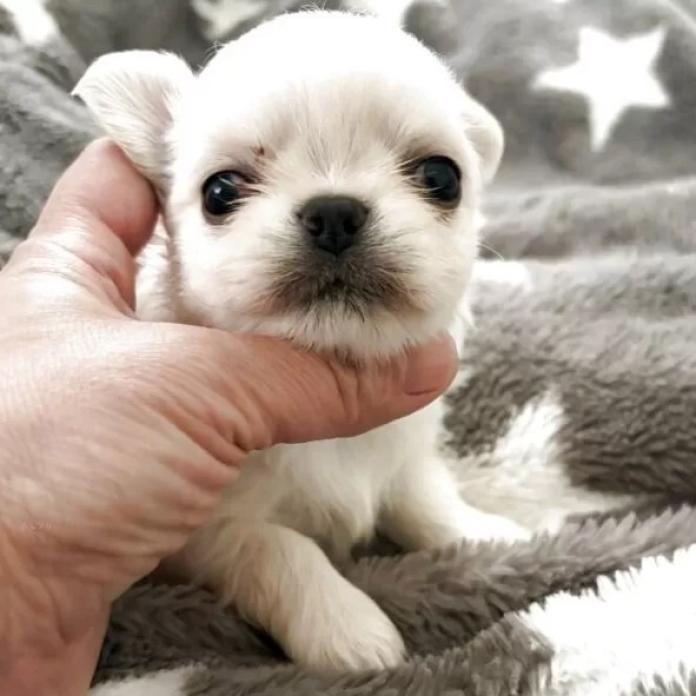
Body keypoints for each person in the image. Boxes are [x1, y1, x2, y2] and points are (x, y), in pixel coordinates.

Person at [0, 140, 458, 695]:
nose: (334, 220)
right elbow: (198, 528)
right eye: (226, 193)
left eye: (434, 182)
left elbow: (407, 466)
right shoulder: (147, 381)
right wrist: (285, 576)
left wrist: (435, 515)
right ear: (166, 218)